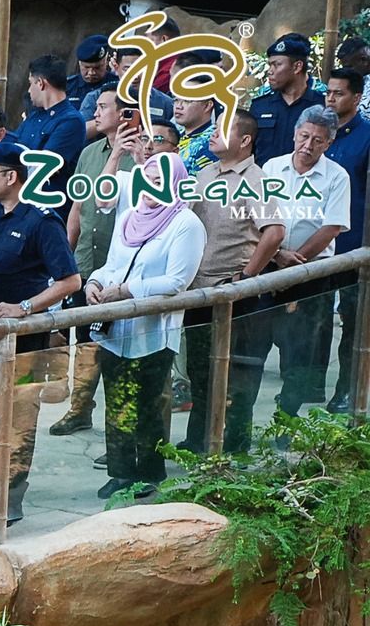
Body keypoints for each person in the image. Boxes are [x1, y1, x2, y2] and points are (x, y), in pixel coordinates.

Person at [0, 139, 81, 525]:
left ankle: (8, 498)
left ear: (11, 176)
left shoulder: (41, 221)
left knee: (16, 415)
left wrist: (26, 308)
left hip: (24, 338)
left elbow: (69, 280)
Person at [87, 154, 205, 502]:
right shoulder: (129, 217)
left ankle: (150, 472)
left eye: (158, 180)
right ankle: (120, 473)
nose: (148, 187)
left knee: (147, 405)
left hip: (153, 332)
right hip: (113, 329)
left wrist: (127, 291)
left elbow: (177, 281)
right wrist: (94, 283)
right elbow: (112, 265)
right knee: (116, 403)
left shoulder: (186, 223)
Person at [179, 112, 284, 454]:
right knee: (200, 372)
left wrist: (247, 275)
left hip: (232, 292)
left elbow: (275, 231)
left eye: (223, 130)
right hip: (198, 290)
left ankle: (236, 447)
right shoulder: (206, 172)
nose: (212, 134)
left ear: (244, 140)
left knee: (236, 377)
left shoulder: (255, 178)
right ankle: (198, 442)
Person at [258, 107, 350, 419]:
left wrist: (297, 261)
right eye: (304, 136)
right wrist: (276, 255)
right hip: (269, 266)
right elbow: (256, 216)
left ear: (328, 144)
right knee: (256, 345)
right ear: (295, 134)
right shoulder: (272, 168)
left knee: (300, 352)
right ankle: (237, 425)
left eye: (318, 140)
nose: (308, 145)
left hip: (311, 274)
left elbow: (331, 227)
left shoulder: (337, 177)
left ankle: (286, 417)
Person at [53, 90, 133, 437]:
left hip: (122, 268)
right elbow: (77, 208)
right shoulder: (88, 153)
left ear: (125, 113)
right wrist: (66, 261)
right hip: (86, 260)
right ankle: (80, 408)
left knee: (118, 349)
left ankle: (119, 430)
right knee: (84, 341)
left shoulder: (142, 156)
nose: (95, 113)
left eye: (102, 107)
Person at [325, 69, 370, 411]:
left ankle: (347, 392)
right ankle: (302, 389)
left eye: (338, 93)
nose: (330, 98)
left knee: (353, 325)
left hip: (354, 245)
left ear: (356, 97)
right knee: (312, 323)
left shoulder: (366, 136)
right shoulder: (315, 133)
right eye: (328, 92)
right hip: (312, 244)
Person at [18, 55, 89, 189]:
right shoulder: (33, 115)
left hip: (50, 201)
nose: (28, 90)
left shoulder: (71, 121)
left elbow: (48, 165)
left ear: (40, 83)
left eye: (30, 83)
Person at [252, 35, 325, 166]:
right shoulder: (260, 106)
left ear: (297, 67)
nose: (270, 71)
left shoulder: (321, 106)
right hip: (264, 181)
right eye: (270, 65)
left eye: (277, 65)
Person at [172, 91, 220, 175]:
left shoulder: (212, 141)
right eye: (176, 100)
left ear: (207, 105)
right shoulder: (175, 135)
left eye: (187, 101)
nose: (178, 106)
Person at [68, 37, 116, 114]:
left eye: (97, 68)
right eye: (86, 67)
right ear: (80, 63)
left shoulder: (117, 85)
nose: (91, 73)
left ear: (106, 62)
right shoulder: (67, 86)